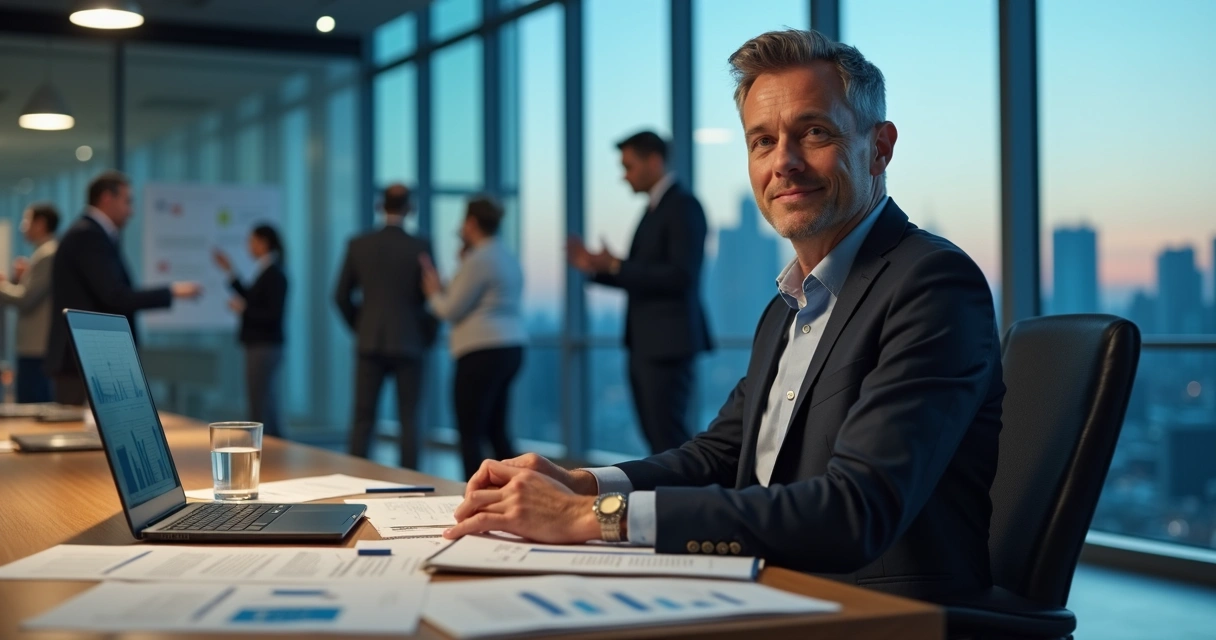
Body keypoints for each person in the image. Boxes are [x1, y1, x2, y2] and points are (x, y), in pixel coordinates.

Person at [448, 29, 1005, 602]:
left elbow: (853, 511)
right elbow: (717, 456)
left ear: (880, 148)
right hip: (771, 585)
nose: (783, 162)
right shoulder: (788, 305)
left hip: (875, 609)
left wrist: (592, 516)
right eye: (762, 141)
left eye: (814, 132)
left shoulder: (931, 283)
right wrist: (581, 483)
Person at [567, 131, 713, 455]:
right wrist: (600, 268)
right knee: (658, 437)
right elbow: (646, 275)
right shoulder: (656, 209)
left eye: (628, 166)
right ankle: (671, 500)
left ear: (654, 161)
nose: (624, 176)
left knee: (668, 437)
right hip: (649, 343)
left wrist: (617, 265)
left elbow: (681, 276)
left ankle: (683, 502)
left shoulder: (683, 206)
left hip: (667, 345)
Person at [44, 171, 202, 405]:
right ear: (107, 198)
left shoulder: (93, 234)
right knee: (78, 434)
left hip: (87, 357)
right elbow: (114, 296)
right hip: (83, 358)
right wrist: (172, 291)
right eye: (127, 201)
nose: (131, 211)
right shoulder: (88, 235)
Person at [419, 197, 527, 480]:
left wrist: (432, 291)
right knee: (497, 430)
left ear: (472, 223)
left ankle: (473, 494)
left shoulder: (479, 259)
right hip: (511, 347)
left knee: (470, 432)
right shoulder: (506, 255)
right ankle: (521, 487)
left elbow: (450, 309)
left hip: (480, 352)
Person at [334, 183, 436, 468]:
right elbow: (432, 297)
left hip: (370, 340)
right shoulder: (420, 246)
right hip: (409, 340)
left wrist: (362, 326)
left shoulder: (359, 244)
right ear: (410, 208)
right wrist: (425, 336)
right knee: (410, 420)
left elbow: (340, 296)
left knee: (363, 419)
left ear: (380, 206)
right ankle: (412, 485)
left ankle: (354, 479)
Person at [213, 225, 288, 438]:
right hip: (261, 345)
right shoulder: (267, 271)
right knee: (265, 401)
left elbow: (271, 314)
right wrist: (230, 271)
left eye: (252, 241)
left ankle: (266, 451)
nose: (249, 246)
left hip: (264, 346)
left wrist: (244, 309)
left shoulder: (274, 274)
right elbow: (252, 297)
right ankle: (271, 451)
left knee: (261, 403)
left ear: (263, 243)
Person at [0, 203, 60, 403]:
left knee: (32, 405)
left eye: (26, 221)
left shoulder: (47, 253)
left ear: (41, 224)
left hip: (36, 348)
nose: (22, 227)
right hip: (35, 347)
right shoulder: (43, 253)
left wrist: (2, 286)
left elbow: (26, 299)